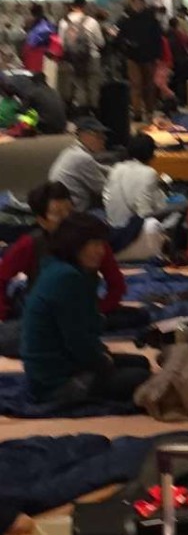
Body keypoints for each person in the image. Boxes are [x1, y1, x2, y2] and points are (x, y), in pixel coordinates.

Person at [19, 213, 150, 405]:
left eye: (102, 244)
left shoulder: (70, 270)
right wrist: (102, 361)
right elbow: (77, 340)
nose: (101, 251)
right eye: (94, 244)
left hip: (64, 364)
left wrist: (101, 356)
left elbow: (87, 328)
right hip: (56, 381)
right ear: (75, 244)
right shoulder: (66, 278)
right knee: (140, 376)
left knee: (141, 363)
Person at [0, 182, 124, 323]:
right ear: (42, 221)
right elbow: (2, 277)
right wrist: (3, 315)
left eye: (70, 211)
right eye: (59, 214)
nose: (68, 219)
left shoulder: (93, 242)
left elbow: (116, 284)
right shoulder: (31, 244)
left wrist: (99, 310)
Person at [103, 134, 169, 261]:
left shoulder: (115, 168)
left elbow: (106, 199)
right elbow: (145, 212)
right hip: (133, 237)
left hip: (112, 232)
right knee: (158, 221)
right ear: (151, 153)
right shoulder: (149, 173)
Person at [49, 117, 110, 211]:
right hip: (74, 212)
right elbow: (104, 189)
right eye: (99, 136)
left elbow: (98, 167)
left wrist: (119, 170)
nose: (104, 140)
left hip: (61, 207)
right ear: (85, 135)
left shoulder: (71, 151)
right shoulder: (82, 158)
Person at [118, 0, 164, 120]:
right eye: (135, 3)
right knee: (136, 84)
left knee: (149, 85)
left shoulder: (151, 18)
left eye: (139, 3)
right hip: (132, 57)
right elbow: (118, 35)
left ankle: (149, 110)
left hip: (149, 56)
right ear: (132, 4)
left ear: (143, 4)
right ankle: (137, 112)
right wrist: (125, 45)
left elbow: (158, 37)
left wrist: (157, 55)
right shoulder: (125, 18)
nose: (137, 5)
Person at [57, 0, 104, 111]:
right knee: (93, 86)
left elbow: (61, 43)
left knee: (79, 86)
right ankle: (94, 112)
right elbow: (101, 42)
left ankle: (83, 114)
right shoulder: (92, 22)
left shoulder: (64, 22)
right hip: (92, 58)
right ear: (85, 7)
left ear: (72, 7)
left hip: (73, 60)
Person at [21, 3, 55, 74]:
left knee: (31, 72)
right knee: (40, 72)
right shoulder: (47, 22)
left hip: (32, 50)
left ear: (32, 13)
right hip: (43, 51)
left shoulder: (31, 22)